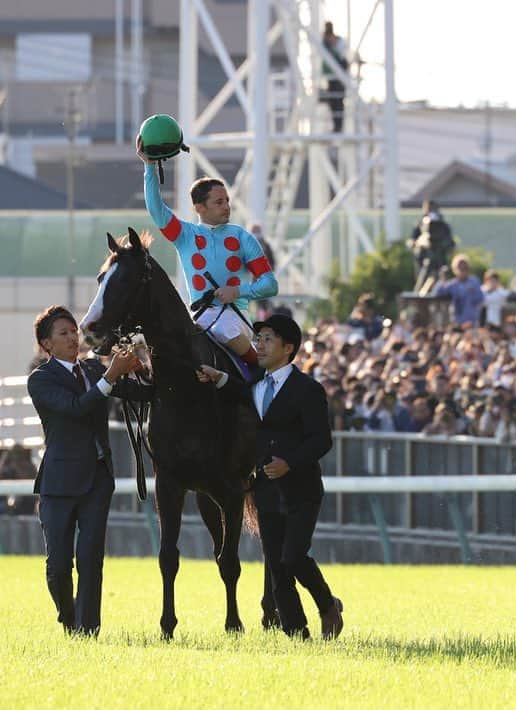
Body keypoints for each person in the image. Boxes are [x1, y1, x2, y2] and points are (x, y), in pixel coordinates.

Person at [197, 314, 343, 640]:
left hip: (301, 489)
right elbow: (237, 391)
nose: (258, 346)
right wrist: (217, 376)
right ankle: (296, 633)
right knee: (277, 564)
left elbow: (322, 440)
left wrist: (290, 462)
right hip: (265, 488)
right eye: (258, 338)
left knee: (293, 556)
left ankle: (327, 605)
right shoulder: (256, 386)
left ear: (288, 348)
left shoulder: (308, 389)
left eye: (267, 340)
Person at [27, 305, 151, 636]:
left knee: (90, 559)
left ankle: (87, 631)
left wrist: (143, 362)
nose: (72, 337)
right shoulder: (40, 380)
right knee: (57, 567)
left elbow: (143, 393)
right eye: (63, 334)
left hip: (97, 479)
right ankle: (69, 619)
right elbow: (76, 408)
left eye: (73, 331)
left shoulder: (95, 369)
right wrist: (112, 375)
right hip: (57, 482)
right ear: (46, 344)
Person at [138, 132, 278, 382]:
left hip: (235, 319)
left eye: (227, 201)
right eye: (218, 202)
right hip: (198, 318)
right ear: (199, 208)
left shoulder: (243, 238)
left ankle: (261, 379)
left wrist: (238, 292)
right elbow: (156, 209)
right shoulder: (184, 234)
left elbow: (270, 285)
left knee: (223, 327)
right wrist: (149, 166)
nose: (226, 207)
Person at [409, 200, 455, 293]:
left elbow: (450, 243)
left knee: (442, 283)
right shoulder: (421, 225)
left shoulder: (443, 225)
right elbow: (412, 241)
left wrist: (442, 244)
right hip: (424, 260)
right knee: (421, 284)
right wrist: (421, 242)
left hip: (440, 260)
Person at [434, 254, 485, 326]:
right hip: (457, 322)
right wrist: (442, 278)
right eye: (460, 268)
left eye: (465, 268)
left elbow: (480, 298)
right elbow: (438, 292)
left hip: (472, 322)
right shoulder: (453, 284)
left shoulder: (474, 282)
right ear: (455, 269)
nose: (463, 270)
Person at [320, 21, 348, 133]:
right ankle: (337, 126)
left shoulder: (336, 42)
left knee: (337, 102)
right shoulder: (326, 42)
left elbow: (342, 57)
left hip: (338, 77)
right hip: (332, 77)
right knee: (334, 102)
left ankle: (338, 126)